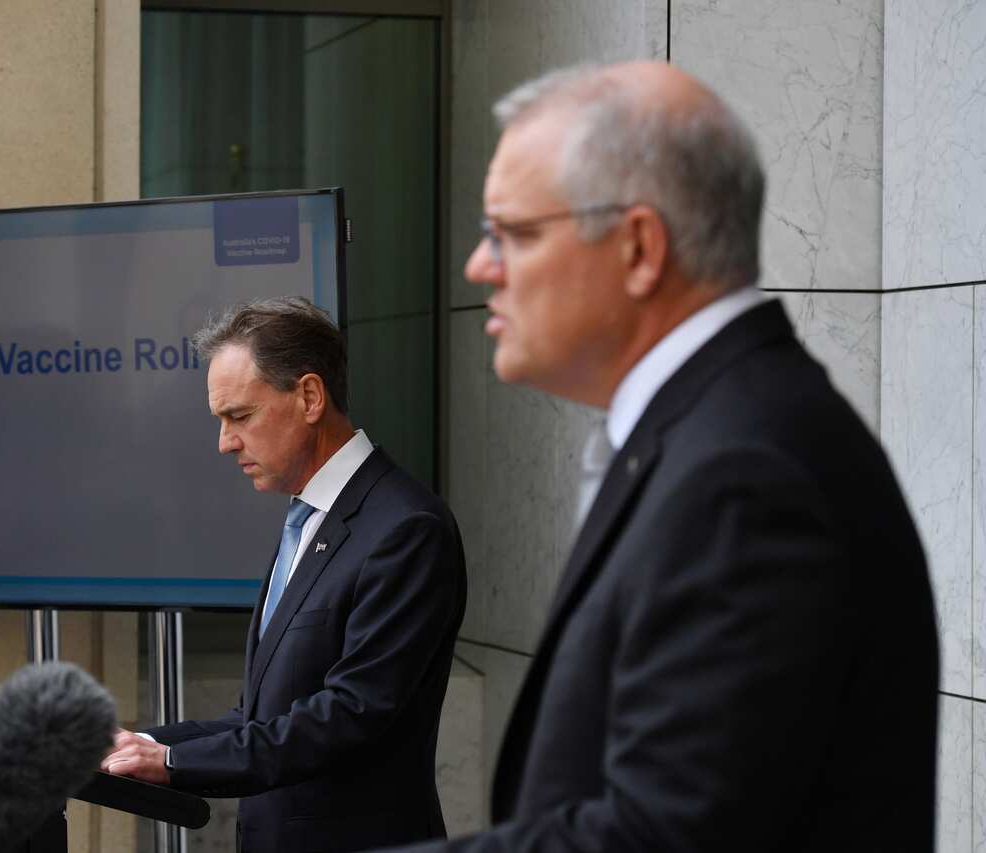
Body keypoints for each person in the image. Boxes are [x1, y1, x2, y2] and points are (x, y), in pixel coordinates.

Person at [391, 61, 939, 851]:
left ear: (640, 247)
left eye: (512, 232)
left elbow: (661, 833)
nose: (481, 267)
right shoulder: (712, 434)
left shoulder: (744, 477)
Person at [101, 297, 468, 853]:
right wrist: (136, 744)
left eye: (240, 416)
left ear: (310, 396)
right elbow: (260, 717)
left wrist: (172, 762)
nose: (225, 442)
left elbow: (347, 715)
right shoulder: (311, 517)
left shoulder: (406, 528)